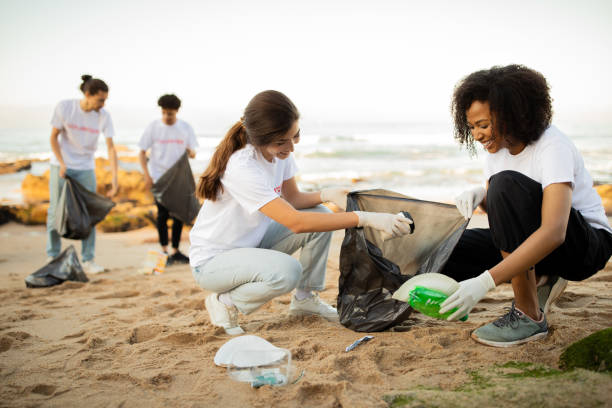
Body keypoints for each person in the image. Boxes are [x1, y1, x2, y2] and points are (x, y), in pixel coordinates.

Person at [190, 90, 414, 335]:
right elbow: (295, 222)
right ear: (259, 138)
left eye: (295, 136)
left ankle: (305, 300)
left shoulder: (279, 153)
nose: (290, 148)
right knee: (287, 272)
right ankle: (224, 303)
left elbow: (294, 200)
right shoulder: (242, 166)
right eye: (281, 142)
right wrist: (367, 219)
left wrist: (327, 194)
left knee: (322, 215)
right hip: (213, 263)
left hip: (251, 247)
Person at [439, 65, 612, 347]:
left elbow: (555, 231)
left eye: (483, 125)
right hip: (542, 247)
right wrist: (481, 198)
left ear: (512, 115)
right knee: (449, 247)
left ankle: (528, 316)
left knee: (504, 184)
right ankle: (544, 276)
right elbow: (506, 220)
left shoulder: (551, 145)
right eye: (471, 127)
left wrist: (484, 282)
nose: (478, 135)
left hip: (584, 246)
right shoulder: (496, 153)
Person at [47, 74, 119, 274]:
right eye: (100, 100)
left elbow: (111, 148)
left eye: (105, 100)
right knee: (55, 210)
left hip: (86, 167)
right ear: (88, 94)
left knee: (88, 213)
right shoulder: (65, 107)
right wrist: (62, 164)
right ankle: (53, 257)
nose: (103, 104)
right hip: (61, 166)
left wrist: (114, 178)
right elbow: (53, 138)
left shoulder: (104, 116)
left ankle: (88, 260)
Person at [139, 94, 198, 265]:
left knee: (179, 214)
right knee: (162, 215)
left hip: (179, 179)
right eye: (164, 112)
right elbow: (142, 152)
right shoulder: (153, 127)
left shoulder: (185, 128)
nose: (166, 116)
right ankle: (164, 251)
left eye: (170, 113)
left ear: (177, 111)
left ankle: (175, 250)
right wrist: (147, 175)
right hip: (159, 177)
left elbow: (193, 153)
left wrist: (189, 151)